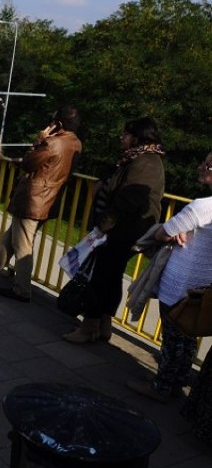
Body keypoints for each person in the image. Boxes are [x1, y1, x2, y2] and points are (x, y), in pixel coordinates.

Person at [0, 106, 82, 302]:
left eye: (52, 122)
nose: (49, 125)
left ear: (58, 124)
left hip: (33, 199)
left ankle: (22, 290)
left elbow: (29, 162)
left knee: (22, 246)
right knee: (8, 241)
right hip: (48, 199)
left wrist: (39, 140)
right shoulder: (76, 143)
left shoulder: (52, 143)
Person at [63, 117, 165, 342]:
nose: (122, 137)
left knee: (101, 278)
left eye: (126, 134)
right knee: (110, 277)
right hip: (120, 231)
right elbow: (116, 183)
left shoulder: (145, 162)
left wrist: (103, 227)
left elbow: (127, 201)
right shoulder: (136, 158)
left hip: (121, 232)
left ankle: (89, 327)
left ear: (137, 137)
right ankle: (103, 325)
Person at [125, 154, 212, 402]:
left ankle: (161, 387)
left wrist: (172, 232)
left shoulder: (203, 206)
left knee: (173, 339)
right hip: (202, 286)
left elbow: (164, 233)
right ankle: (177, 381)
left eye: (207, 164)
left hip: (181, 282)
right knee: (187, 338)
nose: (201, 166)